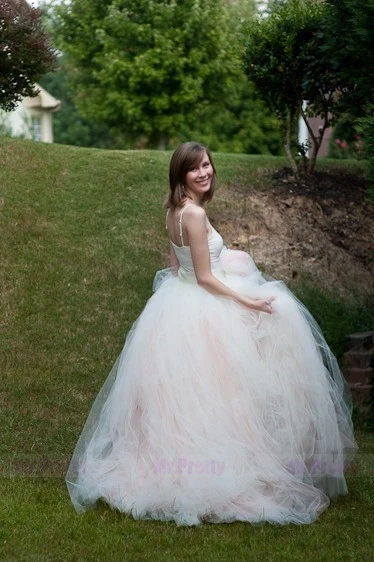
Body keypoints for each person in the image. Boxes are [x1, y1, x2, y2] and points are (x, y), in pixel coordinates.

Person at [66, 141, 357, 526]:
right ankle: (227, 470)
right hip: (204, 303)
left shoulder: (172, 210)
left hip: (177, 302)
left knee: (189, 400)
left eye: (207, 165)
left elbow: (175, 268)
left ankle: (184, 462)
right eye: (195, 169)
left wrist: (225, 267)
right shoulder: (195, 215)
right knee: (226, 392)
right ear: (181, 176)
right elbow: (204, 278)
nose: (204, 172)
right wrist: (248, 302)